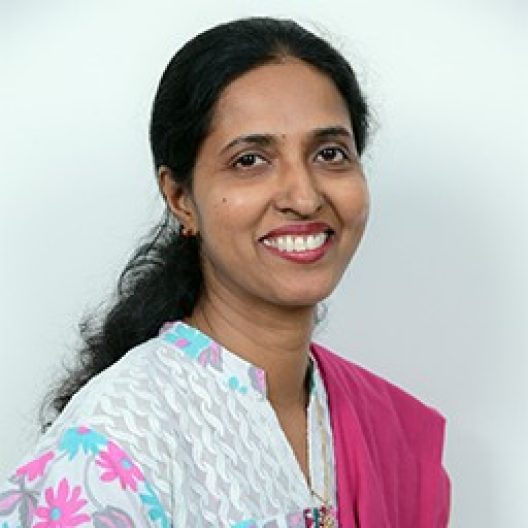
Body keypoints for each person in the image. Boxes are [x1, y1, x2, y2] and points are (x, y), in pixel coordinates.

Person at [0, 17, 450, 528]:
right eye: (250, 160)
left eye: (330, 154)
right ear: (181, 199)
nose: (304, 197)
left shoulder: (386, 431)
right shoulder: (117, 440)